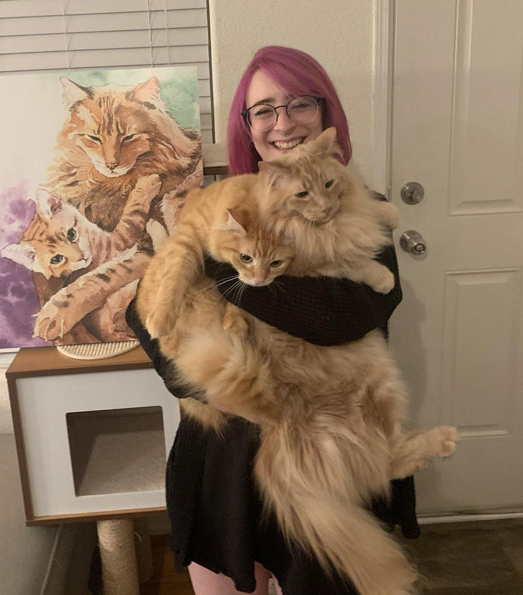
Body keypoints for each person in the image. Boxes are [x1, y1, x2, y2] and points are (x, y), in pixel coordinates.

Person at [126, 45, 420, 595]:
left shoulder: (359, 205)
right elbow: (137, 309)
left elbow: (338, 317)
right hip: (224, 451)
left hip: (322, 447)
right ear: (248, 127)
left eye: (300, 103)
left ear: (327, 114)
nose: (283, 123)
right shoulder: (226, 202)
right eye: (264, 110)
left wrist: (216, 257)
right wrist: (191, 381)